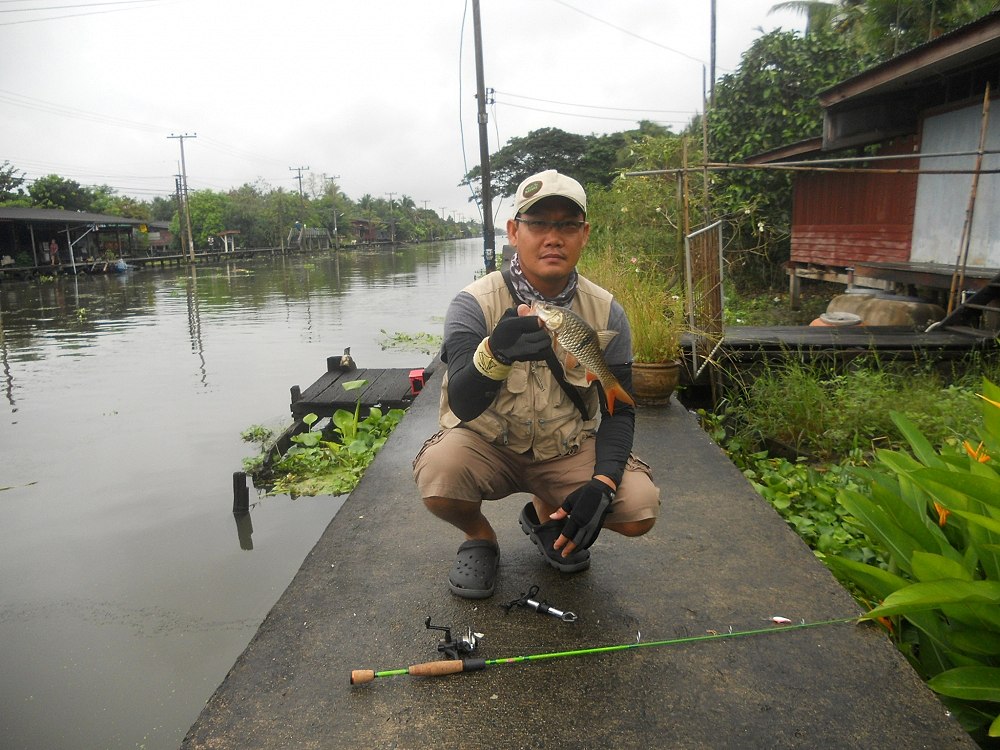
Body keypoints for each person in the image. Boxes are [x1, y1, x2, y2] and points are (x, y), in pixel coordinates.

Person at [413, 169, 661, 599]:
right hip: (488, 443)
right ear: (513, 231)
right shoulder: (472, 303)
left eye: (567, 225)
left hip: (566, 448)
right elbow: (464, 401)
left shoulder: (606, 312)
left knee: (638, 509)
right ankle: (480, 537)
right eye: (538, 223)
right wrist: (496, 354)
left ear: (584, 235)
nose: (553, 237)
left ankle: (546, 515)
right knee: (440, 476)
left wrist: (602, 483)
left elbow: (621, 409)